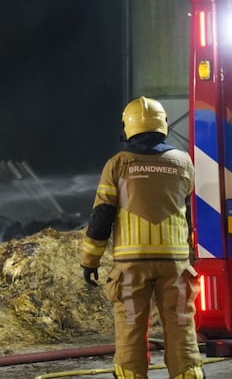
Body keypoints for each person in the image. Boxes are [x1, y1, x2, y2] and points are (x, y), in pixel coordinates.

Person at [80, 97, 204, 379]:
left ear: (128, 127)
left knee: (131, 329)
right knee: (181, 326)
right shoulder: (183, 162)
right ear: (163, 125)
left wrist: (90, 260)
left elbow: (102, 216)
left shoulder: (119, 163)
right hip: (175, 264)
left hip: (131, 266)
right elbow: (186, 210)